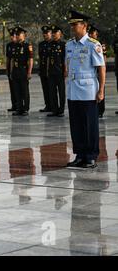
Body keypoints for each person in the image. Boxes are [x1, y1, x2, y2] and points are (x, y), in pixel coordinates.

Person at [66, 10, 105, 169]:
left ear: (84, 26)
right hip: (73, 90)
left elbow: (101, 68)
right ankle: (80, 155)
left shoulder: (92, 44)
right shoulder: (69, 44)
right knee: (76, 125)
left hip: (88, 90)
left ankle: (91, 156)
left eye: (75, 24)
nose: (73, 27)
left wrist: (101, 90)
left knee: (90, 125)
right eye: (72, 25)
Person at [11, 26, 33, 116]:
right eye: (16, 34)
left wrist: (29, 72)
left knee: (24, 90)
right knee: (17, 90)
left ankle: (25, 108)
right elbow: (12, 60)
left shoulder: (27, 46)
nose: (17, 36)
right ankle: (19, 108)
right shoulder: (14, 46)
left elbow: (30, 60)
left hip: (23, 70)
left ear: (24, 35)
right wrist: (11, 71)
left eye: (19, 34)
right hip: (16, 70)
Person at [48, 25, 67, 117]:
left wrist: (65, 70)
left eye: (56, 33)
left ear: (60, 34)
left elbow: (65, 58)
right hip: (51, 71)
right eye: (53, 33)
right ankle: (54, 109)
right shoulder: (50, 44)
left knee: (61, 91)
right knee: (52, 91)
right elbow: (48, 59)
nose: (54, 35)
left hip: (60, 71)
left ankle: (61, 110)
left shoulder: (63, 45)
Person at [88, 25, 107, 118]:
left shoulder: (99, 44)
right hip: (92, 71)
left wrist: (103, 69)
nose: (91, 35)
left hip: (99, 71)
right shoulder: (89, 44)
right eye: (90, 33)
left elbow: (103, 58)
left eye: (93, 33)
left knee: (101, 89)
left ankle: (100, 110)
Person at [38, 25, 53, 113]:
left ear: (50, 33)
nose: (45, 35)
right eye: (44, 33)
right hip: (43, 69)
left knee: (51, 89)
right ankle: (47, 105)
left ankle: (53, 105)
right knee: (45, 88)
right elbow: (40, 58)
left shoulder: (53, 44)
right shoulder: (41, 44)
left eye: (47, 33)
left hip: (51, 70)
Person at [6, 28, 18, 112]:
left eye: (13, 36)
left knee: (18, 89)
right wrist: (7, 69)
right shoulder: (9, 45)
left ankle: (19, 105)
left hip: (18, 70)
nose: (12, 37)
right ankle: (14, 104)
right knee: (12, 88)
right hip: (11, 70)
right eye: (11, 36)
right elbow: (8, 58)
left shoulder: (19, 45)